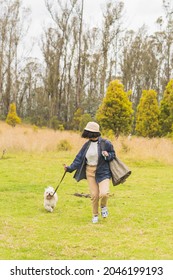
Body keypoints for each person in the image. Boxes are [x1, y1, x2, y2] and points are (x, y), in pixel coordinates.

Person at [64, 121, 116, 223]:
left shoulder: (106, 143)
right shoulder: (86, 146)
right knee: (94, 195)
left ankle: (103, 206)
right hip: (90, 172)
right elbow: (78, 159)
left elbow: (113, 154)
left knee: (104, 193)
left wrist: (107, 155)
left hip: (103, 171)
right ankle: (95, 215)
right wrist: (69, 168)